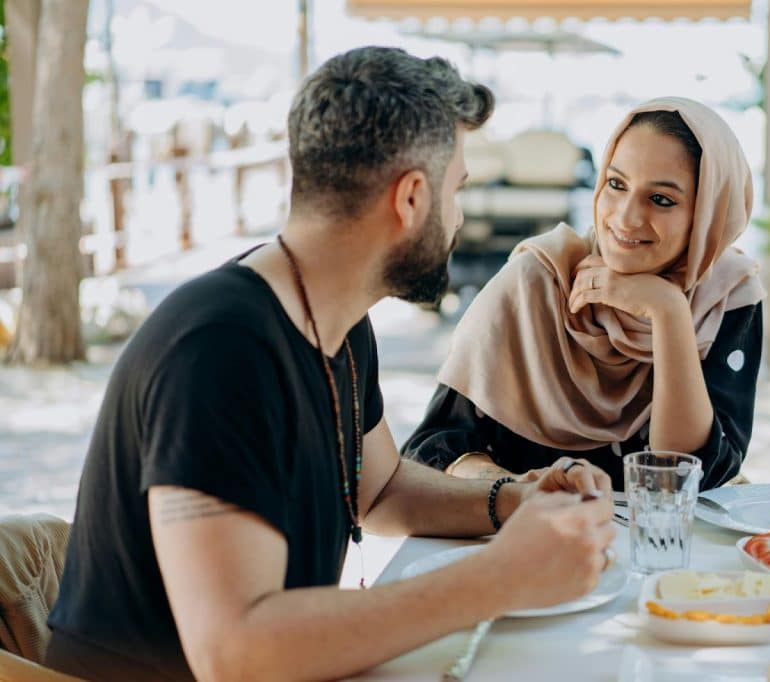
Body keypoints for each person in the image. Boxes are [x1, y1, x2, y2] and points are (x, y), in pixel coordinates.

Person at [44, 47, 615, 682]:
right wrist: (500, 577)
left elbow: (381, 490)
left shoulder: (335, 317)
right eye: (457, 190)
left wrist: (513, 499)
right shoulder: (219, 350)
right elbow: (235, 654)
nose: (457, 218)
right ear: (411, 198)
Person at [403, 98, 766, 491]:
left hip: (660, 533)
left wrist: (669, 312)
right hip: (524, 526)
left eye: (661, 200)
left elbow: (689, 476)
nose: (625, 217)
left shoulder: (726, 296)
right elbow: (435, 449)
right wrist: (519, 491)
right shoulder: (536, 283)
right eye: (616, 184)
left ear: (709, 214)